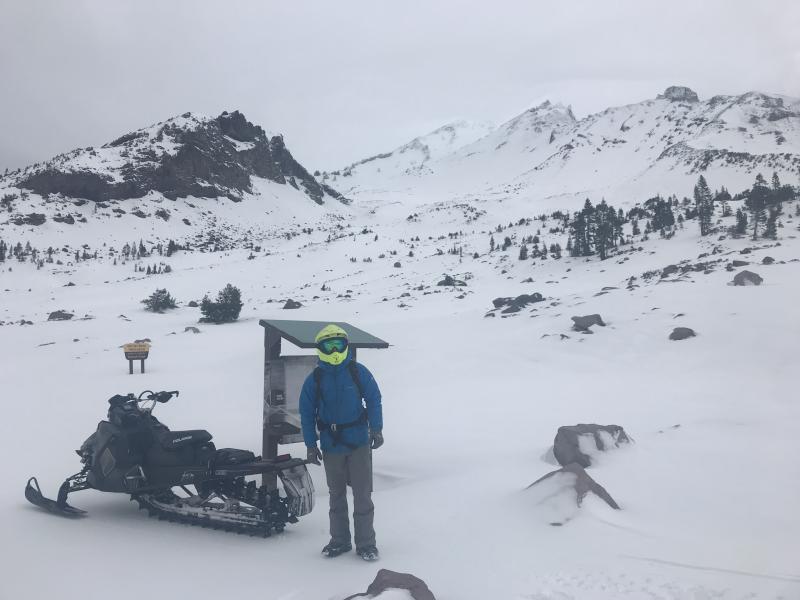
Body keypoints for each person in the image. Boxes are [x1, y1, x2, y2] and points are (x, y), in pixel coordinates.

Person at [299, 324, 384, 561]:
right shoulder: (314, 379)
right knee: (336, 496)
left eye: (339, 344)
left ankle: (366, 544)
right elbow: (306, 413)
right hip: (331, 445)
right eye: (329, 345)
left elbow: (374, 399)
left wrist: (376, 429)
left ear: (346, 346)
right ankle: (339, 541)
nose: (335, 349)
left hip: (358, 442)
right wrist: (310, 444)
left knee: (362, 495)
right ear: (321, 348)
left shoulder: (358, 372)